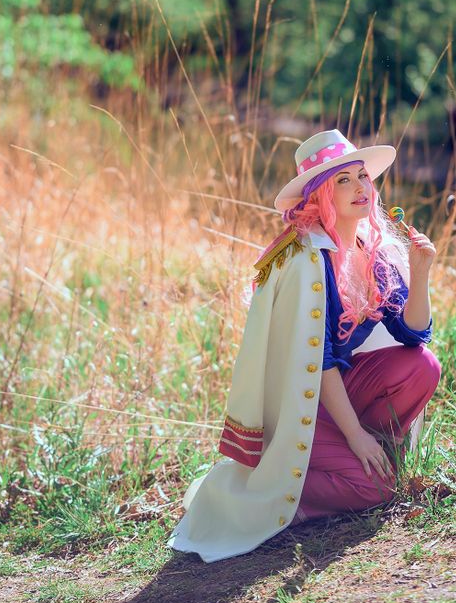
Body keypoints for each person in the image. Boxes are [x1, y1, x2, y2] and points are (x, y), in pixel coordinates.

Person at [167, 129, 441, 563]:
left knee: (421, 365)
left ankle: (371, 455)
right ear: (320, 196)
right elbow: (321, 359)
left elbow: (412, 334)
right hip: (306, 408)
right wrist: (355, 436)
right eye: (343, 181)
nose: (359, 188)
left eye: (362, 177)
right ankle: (271, 492)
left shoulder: (370, 249)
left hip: (339, 396)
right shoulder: (304, 260)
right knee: (378, 490)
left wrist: (420, 271)